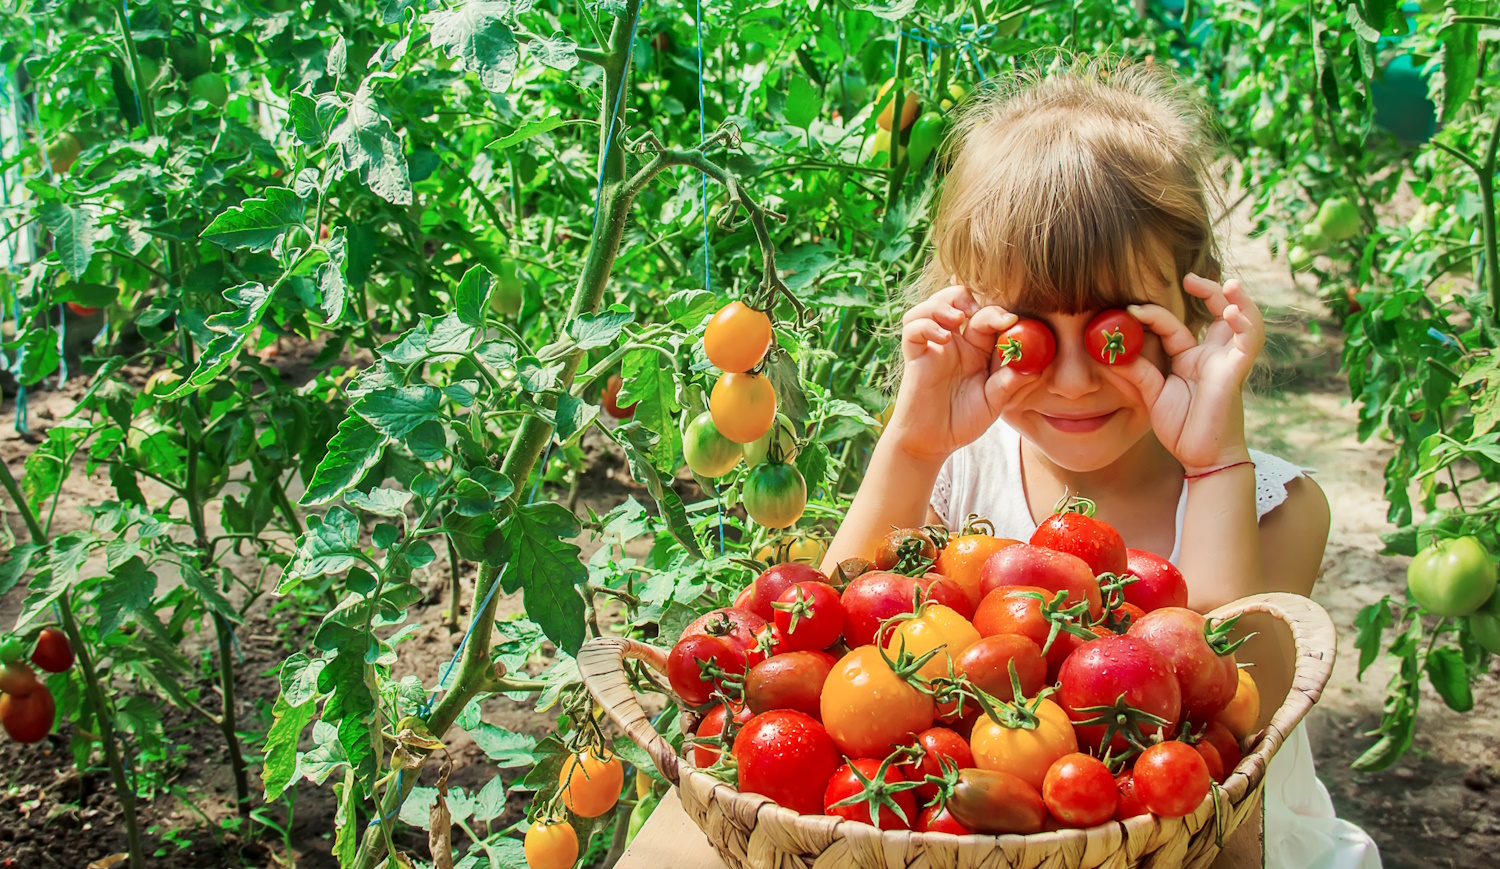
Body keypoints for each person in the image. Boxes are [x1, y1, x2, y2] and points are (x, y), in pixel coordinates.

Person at [821, 55, 1381, 869]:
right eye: (1030, 334)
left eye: (1116, 330)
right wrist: (913, 442)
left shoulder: (1278, 509)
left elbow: (1218, 728)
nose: (1076, 381)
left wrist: (1215, 465)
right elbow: (837, 649)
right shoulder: (954, 476)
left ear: (1192, 307)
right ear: (972, 318)